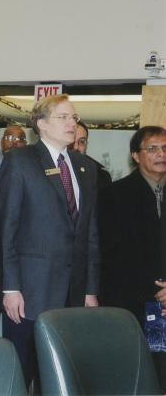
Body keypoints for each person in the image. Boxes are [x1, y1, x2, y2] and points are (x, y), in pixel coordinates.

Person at [0, 94, 99, 388]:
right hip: (30, 292)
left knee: (58, 378)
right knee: (19, 375)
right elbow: (8, 229)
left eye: (74, 117)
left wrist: (90, 289)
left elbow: (90, 234)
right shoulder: (20, 161)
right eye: (63, 117)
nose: (72, 123)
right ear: (41, 124)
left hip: (73, 294)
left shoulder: (86, 167)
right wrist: (11, 287)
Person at [99, 126, 166, 389]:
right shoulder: (114, 196)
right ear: (136, 156)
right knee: (140, 375)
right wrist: (156, 291)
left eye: (165, 148)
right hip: (132, 306)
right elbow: (111, 258)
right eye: (152, 149)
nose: (161, 154)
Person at [71, 120, 112, 191]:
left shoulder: (100, 176)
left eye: (82, 142)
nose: (76, 147)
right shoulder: (50, 169)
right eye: (71, 140)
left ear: (86, 145)